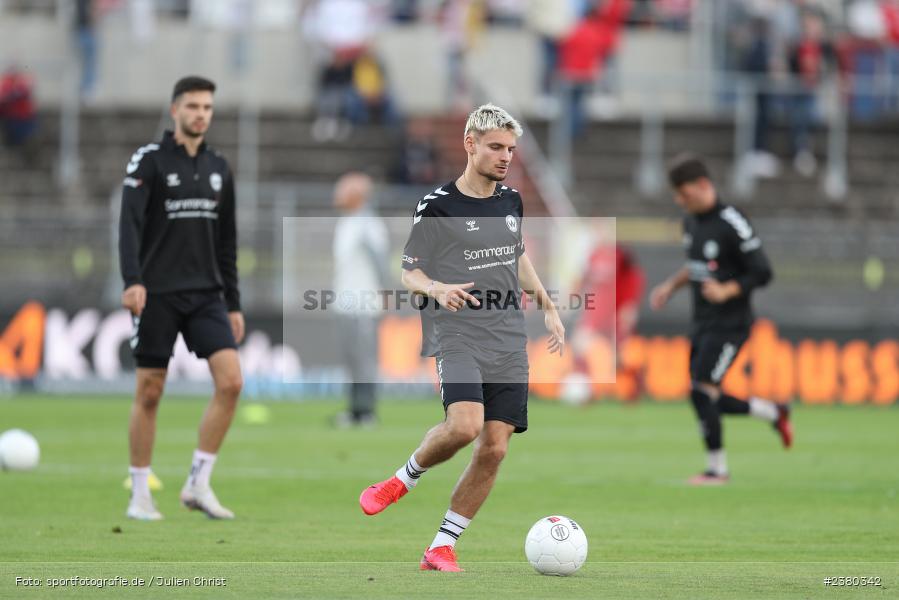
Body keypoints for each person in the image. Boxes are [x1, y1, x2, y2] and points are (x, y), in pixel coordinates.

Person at [358, 104, 565, 571]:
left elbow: (516, 255)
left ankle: (441, 546)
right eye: (496, 147)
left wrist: (548, 305)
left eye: (511, 149)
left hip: (509, 337)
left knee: (494, 447)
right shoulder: (438, 206)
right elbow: (410, 271)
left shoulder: (511, 200)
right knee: (465, 426)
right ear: (470, 144)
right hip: (457, 333)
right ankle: (402, 479)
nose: (505, 156)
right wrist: (436, 288)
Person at [119, 76, 244, 520]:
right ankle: (139, 493)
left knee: (231, 382)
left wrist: (233, 302)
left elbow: (226, 240)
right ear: (175, 110)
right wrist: (132, 279)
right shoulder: (149, 161)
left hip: (207, 294)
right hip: (157, 293)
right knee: (150, 390)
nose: (200, 114)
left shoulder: (218, 166)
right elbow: (129, 224)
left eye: (207, 107)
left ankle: (198, 482)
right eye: (192, 106)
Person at [649, 155, 792, 486]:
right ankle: (775, 412)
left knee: (702, 391)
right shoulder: (691, 223)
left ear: (703, 185)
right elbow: (697, 266)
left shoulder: (732, 221)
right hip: (702, 321)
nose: (679, 200)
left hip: (731, 323)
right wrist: (671, 285)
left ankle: (717, 471)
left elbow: (762, 271)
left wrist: (728, 290)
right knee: (703, 395)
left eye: (683, 193)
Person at [332, 172, 390, 428]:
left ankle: (367, 411)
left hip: (363, 303)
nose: (337, 195)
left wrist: (385, 291)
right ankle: (354, 410)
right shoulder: (348, 221)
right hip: (346, 302)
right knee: (352, 359)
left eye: (342, 190)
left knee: (365, 360)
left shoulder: (368, 224)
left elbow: (380, 261)